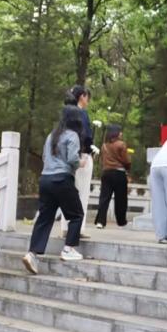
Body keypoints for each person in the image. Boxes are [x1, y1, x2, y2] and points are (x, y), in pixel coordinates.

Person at [23, 106, 86, 275]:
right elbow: (72, 159)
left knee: (44, 218)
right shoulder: (72, 135)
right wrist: (80, 163)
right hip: (62, 179)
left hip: (45, 179)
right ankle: (68, 249)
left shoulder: (52, 135)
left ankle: (32, 254)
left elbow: (45, 157)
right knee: (76, 214)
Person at [61, 85, 94, 239]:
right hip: (82, 155)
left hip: (66, 155)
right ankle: (78, 228)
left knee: (68, 193)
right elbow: (87, 136)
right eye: (87, 97)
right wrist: (90, 150)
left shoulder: (66, 113)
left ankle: (64, 227)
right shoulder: (82, 114)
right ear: (82, 96)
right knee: (82, 193)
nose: (88, 101)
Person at [94, 125, 132, 229]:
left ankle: (100, 221)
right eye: (120, 131)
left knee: (104, 198)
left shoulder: (104, 146)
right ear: (116, 133)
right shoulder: (121, 144)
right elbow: (126, 161)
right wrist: (128, 169)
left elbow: (102, 160)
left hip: (106, 173)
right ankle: (121, 221)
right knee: (121, 199)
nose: (121, 133)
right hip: (119, 173)